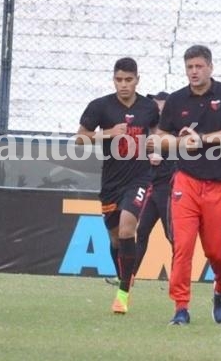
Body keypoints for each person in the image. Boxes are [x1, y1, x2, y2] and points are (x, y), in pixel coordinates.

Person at [150, 45, 221, 325]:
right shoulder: (177, 99)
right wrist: (181, 143)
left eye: (199, 66)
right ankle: (181, 308)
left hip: (218, 185)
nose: (194, 71)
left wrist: (203, 139)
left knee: (217, 252)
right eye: (189, 67)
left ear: (210, 68)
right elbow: (158, 139)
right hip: (186, 182)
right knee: (182, 247)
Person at [75, 57, 159, 314]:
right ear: (114, 79)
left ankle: (123, 292)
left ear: (137, 80)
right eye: (119, 80)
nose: (123, 85)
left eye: (128, 80)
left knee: (126, 228)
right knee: (114, 238)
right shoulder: (100, 107)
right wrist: (108, 133)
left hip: (140, 178)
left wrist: (155, 147)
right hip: (111, 183)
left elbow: (156, 133)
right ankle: (124, 277)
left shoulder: (149, 107)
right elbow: (80, 139)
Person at [133, 92, 174, 276]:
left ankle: (179, 278)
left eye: (161, 107)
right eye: (156, 106)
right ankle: (128, 276)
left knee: (171, 236)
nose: (158, 110)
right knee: (141, 231)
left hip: (167, 189)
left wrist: (161, 157)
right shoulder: (147, 129)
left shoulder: (172, 131)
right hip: (153, 188)